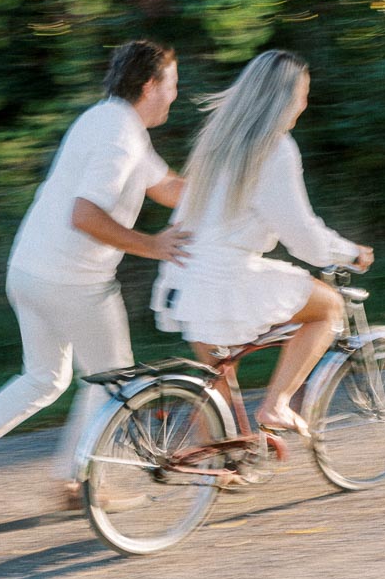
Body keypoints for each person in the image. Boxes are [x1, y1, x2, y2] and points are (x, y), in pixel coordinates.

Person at [0, 39, 190, 517]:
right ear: (150, 85)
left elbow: (168, 187)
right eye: (172, 84)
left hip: (29, 271)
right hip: (74, 281)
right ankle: (79, 483)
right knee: (115, 381)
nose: (176, 93)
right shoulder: (120, 136)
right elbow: (84, 215)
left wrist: (229, 189)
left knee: (45, 378)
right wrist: (152, 245)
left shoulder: (107, 119)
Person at [153, 49, 373, 439]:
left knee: (222, 396)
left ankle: (217, 469)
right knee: (328, 307)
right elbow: (301, 234)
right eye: (302, 93)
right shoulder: (274, 148)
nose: (304, 103)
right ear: (284, 97)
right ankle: (277, 404)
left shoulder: (218, 140)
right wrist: (348, 252)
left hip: (184, 277)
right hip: (226, 279)